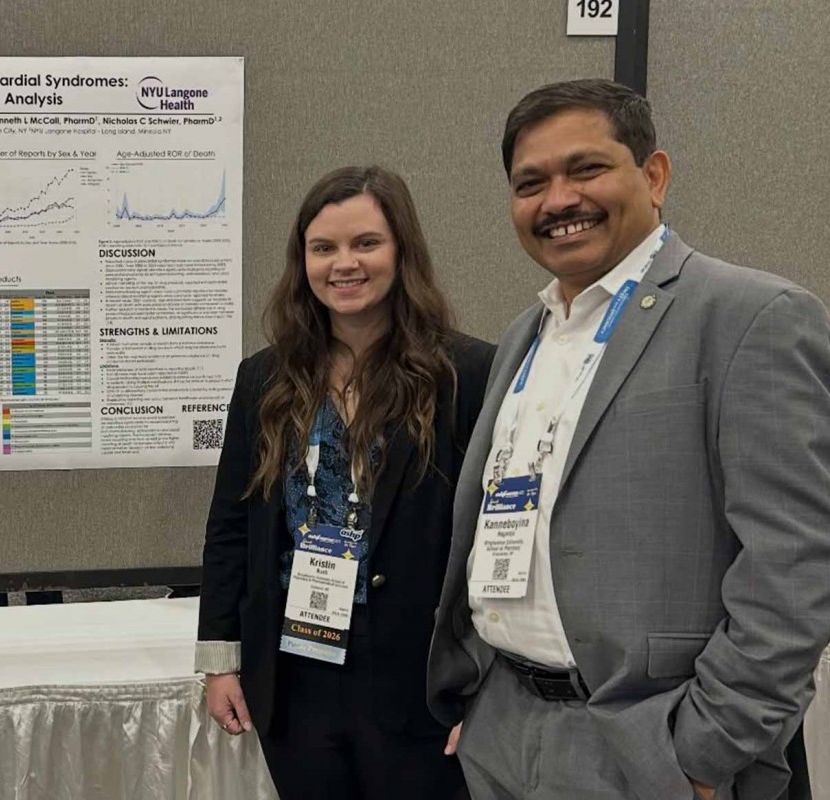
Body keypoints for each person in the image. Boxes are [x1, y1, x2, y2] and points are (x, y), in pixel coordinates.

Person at [427, 78, 830, 800]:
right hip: (503, 730)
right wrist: (481, 692)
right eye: (530, 184)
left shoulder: (751, 317)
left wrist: (705, 750)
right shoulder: (524, 336)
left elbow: (796, 564)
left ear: (654, 176)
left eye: (585, 169)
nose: (557, 200)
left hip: (648, 743)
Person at [197, 165, 494, 798]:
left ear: (402, 251)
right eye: (323, 247)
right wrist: (220, 662)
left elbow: (492, 540)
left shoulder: (465, 374)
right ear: (302, 260)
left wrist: (487, 686)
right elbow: (230, 525)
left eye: (366, 243)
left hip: (419, 680)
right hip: (295, 673)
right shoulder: (264, 379)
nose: (344, 264)